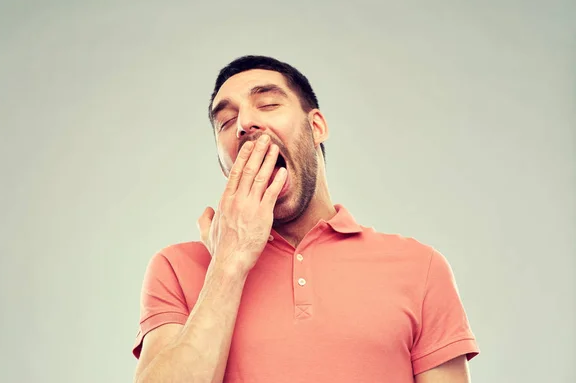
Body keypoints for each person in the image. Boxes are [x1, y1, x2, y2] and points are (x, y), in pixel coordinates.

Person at [131, 55, 480, 383]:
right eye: (225, 121)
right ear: (224, 162)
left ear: (316, 127)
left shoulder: (421, 267)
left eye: (267, 104)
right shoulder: (176, 267)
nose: (244, 123)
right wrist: (228, 265)